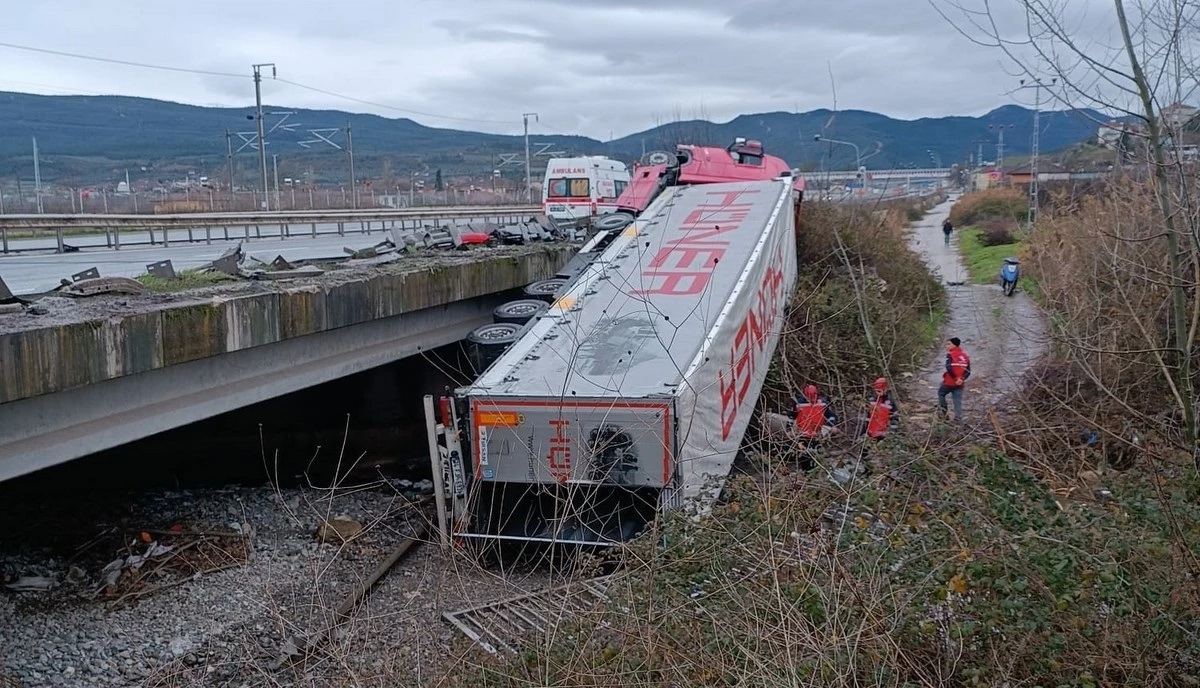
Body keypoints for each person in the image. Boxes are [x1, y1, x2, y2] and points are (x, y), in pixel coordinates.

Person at [937, 337, 971, 422]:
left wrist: (956, 378)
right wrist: (961, 379)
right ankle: (958, 420)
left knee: (941, 394)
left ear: (954, 345)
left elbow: (949, 368)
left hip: (949, 382)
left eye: (949, 344)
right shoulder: (965, 356)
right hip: (960, 384)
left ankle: (944, 414)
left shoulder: (950, 354)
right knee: (957, 401)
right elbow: (968, 371)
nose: (947, 346)